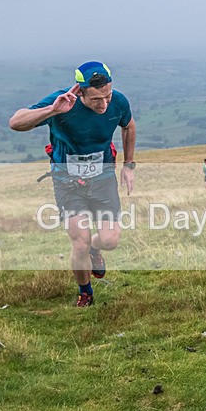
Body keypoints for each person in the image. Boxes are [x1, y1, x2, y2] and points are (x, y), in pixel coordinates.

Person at [9, 61, 137, 307]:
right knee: (80, 241)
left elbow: (128, 126)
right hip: (67, 181)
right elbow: (16, 122)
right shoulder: (61, 101)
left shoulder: (119, 101)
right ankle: (85, 292)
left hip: (102, 178)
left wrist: (129, 165)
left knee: (110, 240)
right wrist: (52, 111)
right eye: (96, 99)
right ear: (81, 92)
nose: (103, 105)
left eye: (107, 96)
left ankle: (95, 250)